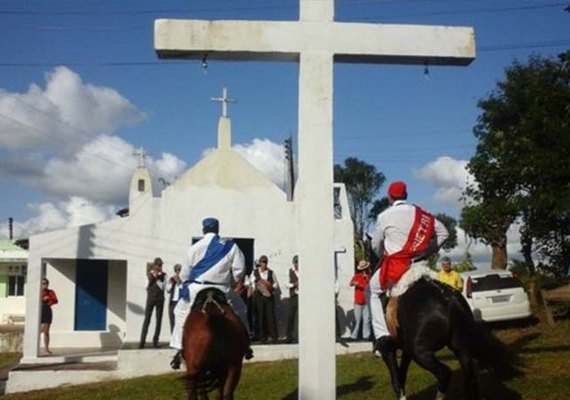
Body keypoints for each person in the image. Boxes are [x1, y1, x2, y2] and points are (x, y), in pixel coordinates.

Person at [370, 181, 449, 357]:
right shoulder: (422, 215)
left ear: (390, 198)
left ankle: (382, 336)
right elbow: (444, 233)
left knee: (372, 290)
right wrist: (427, 251)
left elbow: (376, 245)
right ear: (406, 195)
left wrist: (382, 254)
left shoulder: (384, 216)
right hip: (419, 264)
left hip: (396, 268)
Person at [169, 217, 253, 370]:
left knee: (179, 311)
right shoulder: (231, 246)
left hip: (197, 289)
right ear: (217, 229)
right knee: (241, 309)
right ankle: (246, 344)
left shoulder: (194, 248)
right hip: (222, 289)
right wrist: (234, 281)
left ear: (203, 230)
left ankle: (179, 348)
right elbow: (239, 270)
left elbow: (184, 274)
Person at [139, 257, 166, 349]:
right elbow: (146, 286)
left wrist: (158, 277)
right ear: (154, 265)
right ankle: (142, 341)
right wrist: (152, 278)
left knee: (159, 321)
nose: (160, 267)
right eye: (158, 265)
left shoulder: (164, 275)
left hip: (160, 300)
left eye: (161, 265)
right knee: (147, 320)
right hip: (150, 299)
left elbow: (163, 286)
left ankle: (155, 341)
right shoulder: (148, 274)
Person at [252, 255, 279, 343]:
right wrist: (256, 286)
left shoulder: (271, 272)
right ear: (260, 263)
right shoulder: (255, 272)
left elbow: (276, 284)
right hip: (259, 296)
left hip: (269, 296)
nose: (264, 264)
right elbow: (250, 282)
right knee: (260, 316)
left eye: (265, 262)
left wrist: (270, 286)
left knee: (270, 316)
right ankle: (262, 337)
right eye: (262, 262)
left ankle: (273, 337)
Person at [349, 260, 372, 341]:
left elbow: (368, 287)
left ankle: (366, 336)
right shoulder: (357, 276)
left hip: (366, 301)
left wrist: (360, 284)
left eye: (365, 269)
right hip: (358, 301)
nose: (364, 271)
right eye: (362, 269)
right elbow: (351, 283)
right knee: (357, 319)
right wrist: (354, 283)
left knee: (367, 320)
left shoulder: (369, 277)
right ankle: (354, 336)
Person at [40, 278, 58, 355]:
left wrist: (49, 300)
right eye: (43, 283)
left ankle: (46, 349)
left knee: (46, 331)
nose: (45, 285)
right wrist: (42, 299)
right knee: (38, 330)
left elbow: (55, 300)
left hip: (46, 310)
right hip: (39, 310)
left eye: (46, 283)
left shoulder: (50, 292)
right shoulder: (38, 292)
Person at [285, 255, 299, 343]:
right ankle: (289, 336)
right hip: (294, 295)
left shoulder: (305, 271)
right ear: (293, 263)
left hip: (302, 296)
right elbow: (286, 284)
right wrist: (294, 284)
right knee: (291, 316)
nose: (298, 264)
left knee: (301, 317)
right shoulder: (289, 271)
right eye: (296, 262)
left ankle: (298, 335)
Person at [166, 263, 183, 333]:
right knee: (172, 321)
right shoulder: (172, 279)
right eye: (176, 270)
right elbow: (168, 290)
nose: (177, 271)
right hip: (172, 303)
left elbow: (184, 288)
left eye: (179, 270)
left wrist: (179, 282)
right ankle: (172, 338)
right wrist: (171, 283)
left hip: (179, 303)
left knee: (179, 322)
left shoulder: (183, 280)